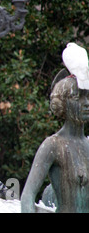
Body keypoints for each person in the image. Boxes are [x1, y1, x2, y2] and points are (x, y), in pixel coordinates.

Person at [21, 76, 89, 213]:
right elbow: (27, 196)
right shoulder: (53, 145)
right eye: (77, 97)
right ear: (63, 104)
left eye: (87, 96)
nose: (86, 102)